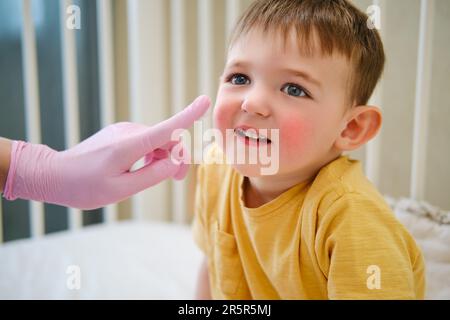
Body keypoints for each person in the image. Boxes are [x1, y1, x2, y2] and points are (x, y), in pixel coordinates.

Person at [193, 0, 425, 299]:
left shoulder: (353, 221)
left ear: (350, 128)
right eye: (240, 78)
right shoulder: (216, 169)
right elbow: (212, 269)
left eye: (293, 89)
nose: (252, 102)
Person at [0, 95, 210, 210]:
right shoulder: (215, 182)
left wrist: (29, 167)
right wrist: (39, 170)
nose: (245, 102)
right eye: (237, 79)